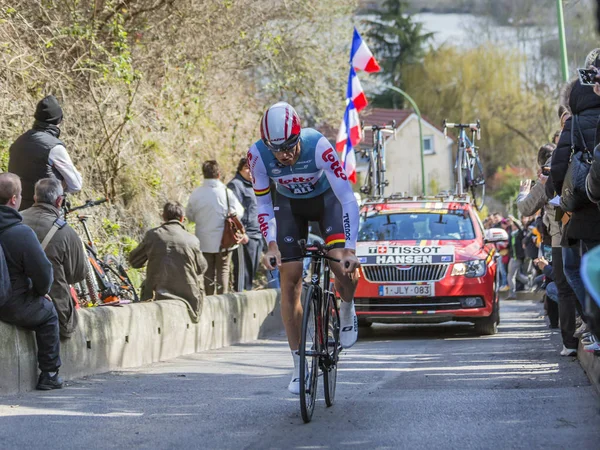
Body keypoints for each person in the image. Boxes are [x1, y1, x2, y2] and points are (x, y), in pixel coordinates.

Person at [248, 101, 360, 395]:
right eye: (277, 149)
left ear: (299, 137)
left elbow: (347, 198)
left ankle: (346, 308)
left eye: (290, 146)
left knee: (342, 267)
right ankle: (299, 367)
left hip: (327, 203)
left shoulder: (319, 146)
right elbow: (262, 204)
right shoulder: (257, 155)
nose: (284, 155)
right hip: (289, 207)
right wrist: (270, 245)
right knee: (290, 281)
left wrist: (349, 248)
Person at [551, 50, 600, 350]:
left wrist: (562, 193)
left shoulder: (576, 121)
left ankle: (595, 330)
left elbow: (559, 166)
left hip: (585, 210)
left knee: (589, 269)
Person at [0, 173, 62, 390]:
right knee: (49, 313)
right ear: (14, 199)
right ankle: (49, 374)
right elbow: (43, 273)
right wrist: (39, 292)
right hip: (10, 304)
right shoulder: (21, 233)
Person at [518, 143, 580, 354]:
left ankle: (569, 343)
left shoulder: (548, 175)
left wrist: (522, 192)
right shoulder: (575, 163)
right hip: (583, 234)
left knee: (563, 289)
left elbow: (526, 207)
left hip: (559, 239)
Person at [21, 178, 87, 339]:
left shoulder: (15, 221)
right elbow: (77, 275)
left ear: (35, 198)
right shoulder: (66, 233)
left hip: (12, 303)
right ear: (59, 201)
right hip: (55, 310)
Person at [129, 201, 208, 322]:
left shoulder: (153, 235)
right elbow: (202, 268)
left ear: (163, 216)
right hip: (188, 298)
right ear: (182, 218)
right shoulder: (192, 240)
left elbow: (134, 262)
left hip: (156, 296)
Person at [8, 95, 83, 210]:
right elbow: (76, 185)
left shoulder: (19, 141)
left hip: (18, 213)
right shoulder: (54, 148)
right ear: (59, 120)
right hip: (45, 214)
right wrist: (60, 185)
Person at [186, 160, 245, 296]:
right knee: (223, 270)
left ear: (203, 174)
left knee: (207, 272)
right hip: (224, 240)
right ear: (219, 174)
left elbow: (190, 216)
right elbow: (239, 213)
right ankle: (222, 299)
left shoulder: (196, 193)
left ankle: (209, 299)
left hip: (203, 239)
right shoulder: (226, 192)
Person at [227, 158, 262, 291]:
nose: (250, 171)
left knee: (251, 274)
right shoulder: (236, 185)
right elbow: (232, 212)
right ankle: (239, 306)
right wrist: (241, 233)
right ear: (240, 169)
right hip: (245, 236)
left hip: (257, 235)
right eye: (247, 167)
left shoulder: (255, 186)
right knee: (243, 276)